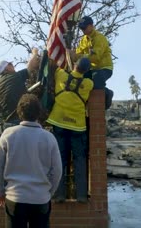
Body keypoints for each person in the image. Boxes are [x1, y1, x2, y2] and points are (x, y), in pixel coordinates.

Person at [0, 94, 62, 228]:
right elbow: (57, 170)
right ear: (39, 113)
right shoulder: (49, 138)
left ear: (19, 113)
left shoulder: (8, 134)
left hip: (15, 198)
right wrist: (49, 192)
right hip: (41, 198)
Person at [47, 57, 94, 203]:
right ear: (86, 71)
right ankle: (81, 195)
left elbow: (55, 65)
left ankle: (59, 195)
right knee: (80, 159)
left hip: (59, 122)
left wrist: (69, 55)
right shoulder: (88, 83)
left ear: (74, 65)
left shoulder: (61, 75)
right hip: (77, 126)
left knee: (60, 159)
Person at [0, 49, 39, 127]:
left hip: (8, 123)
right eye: (10, 64)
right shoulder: (15, 76)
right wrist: (35, 53)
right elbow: (31, 66)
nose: (13, 65)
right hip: (22, 121)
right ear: (6, 69)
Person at [72, 16, 114, 109]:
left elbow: (96, 57)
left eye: (84, 27)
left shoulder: (100, 38)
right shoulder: (83, 40)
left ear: (91, 26)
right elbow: (79, 54)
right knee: (80, 82)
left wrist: (77, 56)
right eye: (81, 28)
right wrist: (73, 56)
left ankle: (107, 93)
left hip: (104, 68)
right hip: (91, 69)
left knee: (96, 81)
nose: (83, 30)